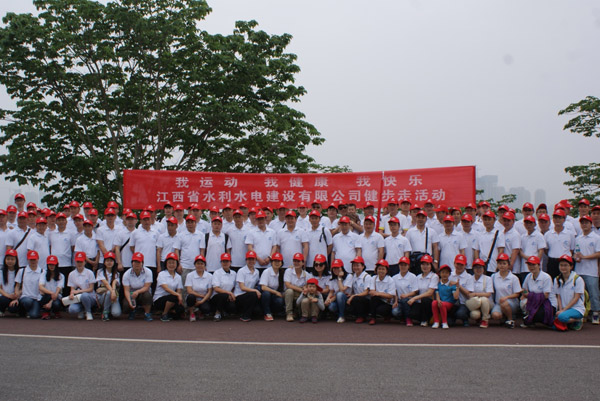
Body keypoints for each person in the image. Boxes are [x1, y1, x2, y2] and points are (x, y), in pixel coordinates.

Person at [573, 215, 600, 324]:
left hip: (591, 271)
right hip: (579, 270)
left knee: (594, 294)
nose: (584, 225)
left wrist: (584, 257)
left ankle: (595, 314)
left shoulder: (596, 238)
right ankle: (582, 314)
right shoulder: (578, 238)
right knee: (580, 294)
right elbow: (575, 253)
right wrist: (576, 258)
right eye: (582, 223)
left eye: (586, 223)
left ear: (591, 224)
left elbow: (598, 253)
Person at [551, 255, 586, 331]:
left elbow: (576, 298)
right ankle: (569, 322)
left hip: (577, 308)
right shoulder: (557, 279)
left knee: (561, 317)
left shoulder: (578, 279)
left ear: (571, 267)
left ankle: (577, 320)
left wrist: (563, 311)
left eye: (566, 265)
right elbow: (558, 296)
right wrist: (560, 309)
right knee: (552, 323)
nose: (563, 267)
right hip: (565, 309)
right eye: (561, 265)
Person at [520, 256, 554, 328]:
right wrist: (525, 293)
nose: (531, 267)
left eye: (533, 265)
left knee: (537, 315)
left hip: (547, 303)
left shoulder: (546, 277)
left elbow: (546, 295)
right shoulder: (528, 276)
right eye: (529, 265)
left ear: (538, 265)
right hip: (534, 301)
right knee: (523, 302)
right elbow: (524, 289)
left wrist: (529, 295)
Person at [491, 253, 522, 328]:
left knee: (504, 304)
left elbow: (517, 294)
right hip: (499, 303)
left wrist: (506, 297)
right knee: (495, 315)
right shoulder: (494, 276)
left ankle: (510, 320)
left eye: (504, 263)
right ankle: (504, 317)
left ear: (508, 265)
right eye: (500, 263)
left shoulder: (514, 278)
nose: (502, 265)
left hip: (512, 303)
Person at [408, 254, 439, 327]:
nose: (425, 266)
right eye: (423, 264)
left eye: (427, 264)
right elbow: (415, 291)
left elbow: (430, 293)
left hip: (429, 302)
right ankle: (422, 318)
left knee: (425, 300)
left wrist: (415, 298)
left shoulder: (434, 276)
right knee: (412, 313)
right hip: (419, 302)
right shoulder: (418, 277)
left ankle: (424, 320)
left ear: (431, 265)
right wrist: (407, 296)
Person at [122, 252, 154, 321]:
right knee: (126, 305)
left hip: (143, 292)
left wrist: (137, 292)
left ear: (142, 263)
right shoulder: (126, 274)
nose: (137, 264)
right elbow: (126, 290)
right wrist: (129, 301)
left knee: (147, 295)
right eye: (135, 262)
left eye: (139, 262)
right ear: (132, 263)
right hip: (131, 294)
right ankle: (132, 311)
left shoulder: (148, 272)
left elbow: (147, 287)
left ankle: (147, 313)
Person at [544, 209, 575, 279]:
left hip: (566, 262)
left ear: (564, 219)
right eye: (555, 218)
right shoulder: (548, 234)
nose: (557, 220)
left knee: (566, 281)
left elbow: (572, 249)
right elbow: (546, 250)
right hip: (552, 262)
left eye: (559, 218)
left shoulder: (570, 234)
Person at [66, 251, 97, 321]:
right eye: (78, 262)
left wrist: (79, 291)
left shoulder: (89, 273)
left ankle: (88, 312)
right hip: (77, 298)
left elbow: (91, 289)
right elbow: (72, 289)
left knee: (84, 295)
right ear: (75, 262)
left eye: (81, 262)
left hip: (89, 297)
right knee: (72, 309)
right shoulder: (71, 274)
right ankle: (82, 310)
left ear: (85, 262)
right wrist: (71, 294)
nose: (79, 264)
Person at [154, 252, 184, 322]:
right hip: (160, 299)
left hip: (172, 298)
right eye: (169, 263)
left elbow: (179, 290)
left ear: (176, 264)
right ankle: (164, 314)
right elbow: (166, 288)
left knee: (181, 310)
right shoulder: (161, 274)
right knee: (173, 297)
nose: (171, 265)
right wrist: (177, 295)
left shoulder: (178, 277)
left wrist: (179, 298)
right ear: (166, 264)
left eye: (173, 263)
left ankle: (169, 312)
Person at [14, 250, 45, 318]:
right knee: (27, 301)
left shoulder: (43, 271)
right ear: (28, 260)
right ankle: (25, 310)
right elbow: (17, 286)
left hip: (37, 298)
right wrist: (16, 297)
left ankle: (30, 311)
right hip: (25, 297)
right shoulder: (22, 271)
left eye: (34, 259)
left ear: (38, 259)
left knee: (34, 315)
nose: (33, 261)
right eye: (31, 259)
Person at [466, 258, 494, 328]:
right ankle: (479, 319)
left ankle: (485, 320)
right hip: (476, 303)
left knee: (484, 299)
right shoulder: (470, 279)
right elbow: (469, 294)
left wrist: (475, 294)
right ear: (473, 269)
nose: (478, 269)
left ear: (483, 268)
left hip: (487, 303)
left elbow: (488, 294)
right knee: (474, 315)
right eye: (476, 267)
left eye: (480, 267)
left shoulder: (488, 279)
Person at [475, 211, 505, 276]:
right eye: (485, 220)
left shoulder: (499, 234)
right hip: (482, 267)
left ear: (494, 220)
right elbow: (477, 250)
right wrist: (477, 264)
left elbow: (501, 250)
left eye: (489, 219)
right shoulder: (480, 234)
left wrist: (499, 264)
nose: (487, 222)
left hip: (494, 266)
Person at [283, 253, 312, 322]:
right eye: (294, 261)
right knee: (289, 291)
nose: (296, 263)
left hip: (301, 294)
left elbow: (309, 287)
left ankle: (298, 312)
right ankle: (289, 313)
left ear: (303, 263)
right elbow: (288, 285)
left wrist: (305, 288)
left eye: (298, 261)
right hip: (290, 294)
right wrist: (301, 289)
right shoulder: (288, 271)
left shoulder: (307, 275)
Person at [234, 251, 261, 322]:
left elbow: (257, 284)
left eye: (253, 259)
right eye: (249, 259)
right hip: (240, 296)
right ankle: (245, 316)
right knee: (253, 294)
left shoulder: (257, 272)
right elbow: (242, 288)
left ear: (255, 260)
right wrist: (255, 290)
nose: (251, 261)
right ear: (246, 260)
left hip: (251, 296)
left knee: (258, 311)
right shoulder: (241, 271)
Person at [185, 253, 213, 322]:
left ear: (204, 265)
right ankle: (192, 313)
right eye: (198, 264)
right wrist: (201, 296)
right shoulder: (190, 275)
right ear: (195, 265)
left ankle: (200, 312)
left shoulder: (209, 276)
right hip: (194, 297)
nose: (200, 265)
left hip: (204, 298)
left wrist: (201, 301)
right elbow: (189, 290)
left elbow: (210, 291)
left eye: (201, 264)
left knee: (207, 309)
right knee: (190, 297)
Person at [367, 259, 395, 325]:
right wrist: (381, 294)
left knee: (381, 309)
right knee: (374, 298)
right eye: (379, 269)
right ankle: (373, 318)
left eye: (383, 269)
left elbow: (391, 295)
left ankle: (388, 316)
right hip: (378, 300)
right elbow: (371, 292)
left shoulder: (390, 280)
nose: (381, 271)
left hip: (387, 302)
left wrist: (378, 293)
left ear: (386, 270)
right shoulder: (373, 278)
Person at [391, 256, 418, 326]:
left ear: (408, 266)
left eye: (405, 265)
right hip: (399, 301)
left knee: (405, 301)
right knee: (395, 312)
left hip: (410, 301)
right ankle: (402, 317)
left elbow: (415, 291)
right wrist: (396, 301)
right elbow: (395, 291)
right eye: (401, 265)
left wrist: (406, 295)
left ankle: (408, 318)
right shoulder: (394, 278)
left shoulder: (413, 277)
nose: (403, 267)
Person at [95, 251, 121, 321]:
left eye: (111, 261)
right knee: (109, 293)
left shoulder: (117, 273)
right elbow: (106, 283)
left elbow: (115, 282)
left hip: (113, 296)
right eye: (107, 261)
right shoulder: (100, 272)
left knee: (116, 313)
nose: (109, 262)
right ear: (104, 262)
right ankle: (105, 312)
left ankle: (109, 309)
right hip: (102, 296)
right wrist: (112, 291)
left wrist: (113, 292)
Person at [211, 253, 237, 321]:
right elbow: (216, 288)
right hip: (217, 297)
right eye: (223, 261)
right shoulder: (217, 273)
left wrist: (232, 294)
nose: (225, 263)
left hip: (228, 297)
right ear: (221, 262)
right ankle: (217, 313)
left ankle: (224, 311)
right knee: (223, 296)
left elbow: (234, 286)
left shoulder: (234, 273)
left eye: (227, 261)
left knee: (232, 307)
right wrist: (229, 293)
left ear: (230, 262)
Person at [259, 252, 285, 321]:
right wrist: (276, 292)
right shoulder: (266, 271)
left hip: (274, 294)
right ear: (271, 262)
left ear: (281, 263)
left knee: (280, 301)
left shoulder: (282, 272)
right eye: (275, 261)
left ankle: (273, 311)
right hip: (266, 293)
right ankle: (267, 313)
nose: (277, 263)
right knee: (266, 294)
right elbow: (263, 287)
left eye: (279, 261)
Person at [448, 254, 473, 326]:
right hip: (451, 302)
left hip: (463, 303)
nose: (459, 266)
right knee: (449, 323)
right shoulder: (449, 274)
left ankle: (465, 319)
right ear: (454, 263)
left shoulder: (469, 277)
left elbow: (469, 294)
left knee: (460, 314)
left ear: (465, 265)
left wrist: (458, 286)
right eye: (457, 264)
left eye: (461, 264)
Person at [432, 265, 458, 329]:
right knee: (434, 303)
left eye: (446, 273)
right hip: (441, 302)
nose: (444, 274)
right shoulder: (438, 284)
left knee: (442, 304)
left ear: (449, 274)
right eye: (443, 272)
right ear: (440, 274)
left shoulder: (451, 284)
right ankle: (436, 322)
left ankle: (444, 322)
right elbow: (437, 294)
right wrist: (438, 300)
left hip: (449, 303)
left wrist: (457, 286)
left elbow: (455, 297)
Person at [346, 256, 371, 323]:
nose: (355, 267)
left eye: (358, 265)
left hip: (365, 300)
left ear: (363, 266)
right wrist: (350, 295)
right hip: (356, 298)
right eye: (354, 265)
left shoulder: (367, 276)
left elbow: (366, 292)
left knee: (357, 299)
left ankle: (362, 316)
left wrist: (353, 296)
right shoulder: (353, 276)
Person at [39, 255, 64, 319]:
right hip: (46, 296)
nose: (51, 266)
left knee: (56, 304)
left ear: (56, 265)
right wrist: (51, 293)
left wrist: (50, 302)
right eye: (50, 264)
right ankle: (46, 312)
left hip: (56, 297)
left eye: (53, 264)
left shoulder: (61, 276)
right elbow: (41, 287)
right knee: (46, 296)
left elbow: (58, 290)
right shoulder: (43, 274)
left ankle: (55, 311)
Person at [326, 259, 350, 323]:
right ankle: (339, 314)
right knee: (331, 307)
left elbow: (342, 290)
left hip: (346, 299)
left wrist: (339, 278)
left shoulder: (349, 276)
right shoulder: (332, 278)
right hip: (336, 299)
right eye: (334, 268)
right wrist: (328, 299)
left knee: (339, 294)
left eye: (337, 268)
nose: (336, 270)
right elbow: (331, 291)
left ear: (342, 268)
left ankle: (341, 316)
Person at [0, 249, 20, 316]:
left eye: (12, 259)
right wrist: (8, 295)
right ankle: (1, 310)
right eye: (8, 259)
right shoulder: (1, 272)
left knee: (13, 309)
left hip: (15, 296)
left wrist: (16, 297)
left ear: (16, 260)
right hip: (5, 296)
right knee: (3, 300)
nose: (10, 261)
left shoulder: (20, 272)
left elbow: (21, 287)